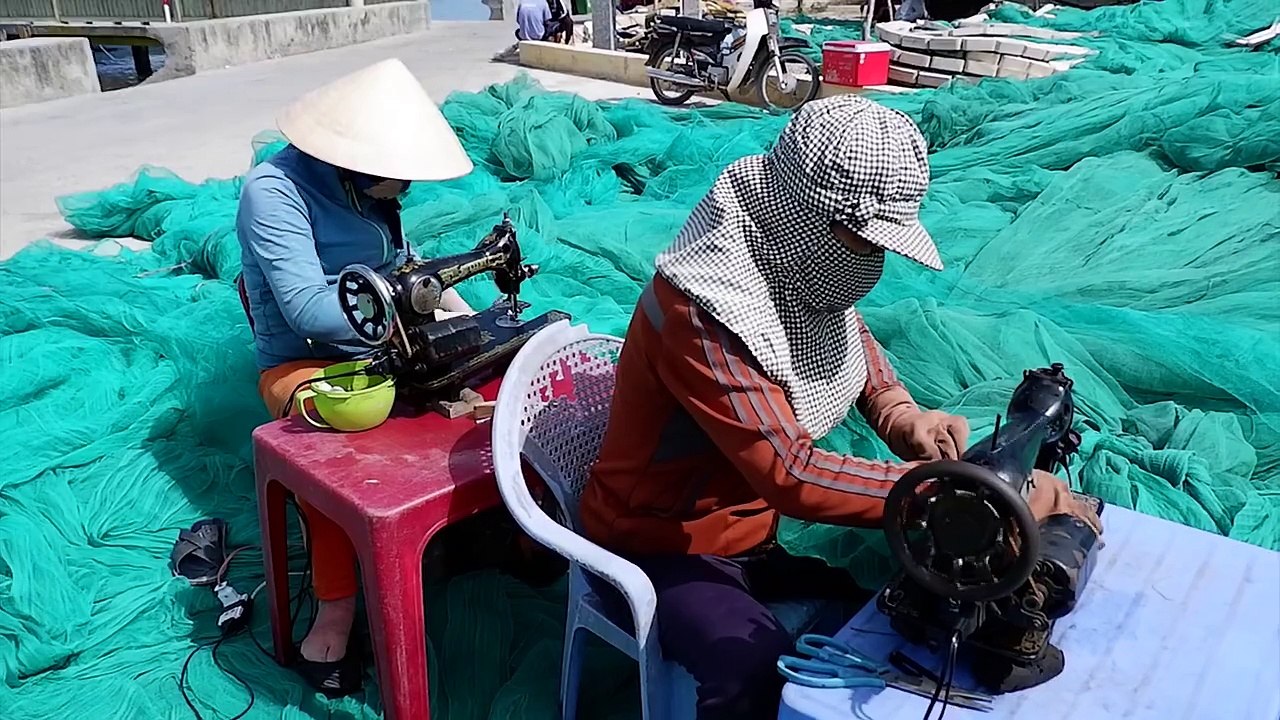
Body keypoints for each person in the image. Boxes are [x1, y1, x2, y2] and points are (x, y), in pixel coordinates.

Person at [579, 95, 1103, 720]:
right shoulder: (703, 313)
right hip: (656, 546)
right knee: (750, 670)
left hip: (747, 537)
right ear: (809, 215)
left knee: (873, 613)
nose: (874, 263)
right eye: (865, 241)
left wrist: (901, 413)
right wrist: (957, 494)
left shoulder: (790, 259)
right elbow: (792, 473)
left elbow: (852, 341)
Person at [235, 58, 475, 696]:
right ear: (358, 154)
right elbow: (307, 309)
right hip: (303, 362)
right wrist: (413, 304)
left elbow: (402, 264)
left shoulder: (369, 189)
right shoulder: (273, 191)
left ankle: (473, 539)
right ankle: (334, 612)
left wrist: (466, 315)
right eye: (402, 173)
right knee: (334, 449)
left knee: (489, 381)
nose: (407, 187)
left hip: (380, 346)